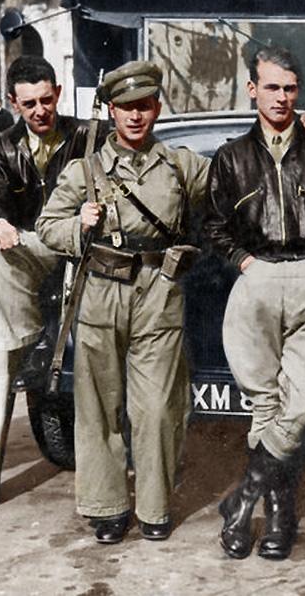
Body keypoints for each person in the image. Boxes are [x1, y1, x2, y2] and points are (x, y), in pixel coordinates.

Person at [36, 60, 209, 544]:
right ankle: (107, 506)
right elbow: (48, 227)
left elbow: (228, 186)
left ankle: (155, 505)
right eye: (126, 108)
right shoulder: (84, 169)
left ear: (157, 108)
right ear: (111, 111)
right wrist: (80, 225)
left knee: (156, 407)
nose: (136, 117)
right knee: (98, 406)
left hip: (158, 289)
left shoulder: (180, 164)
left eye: (145, 106)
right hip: (100, 290)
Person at [205, 46, 305, 561]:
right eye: (271, 87)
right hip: (256, 281)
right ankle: (279, 515)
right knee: (264, 405)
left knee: (300, 405)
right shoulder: (230, 157)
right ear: (253, 89)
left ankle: (242, 501)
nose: (281, 97)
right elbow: (213, 225)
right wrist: (246, 264)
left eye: (290, 88)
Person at [0, 55, 108, 525]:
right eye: (29, 103)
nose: (40, 110)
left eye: (47, 99)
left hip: (81, 249)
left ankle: (108, 477)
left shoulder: (85, 134)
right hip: (30, 248)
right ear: (14, 103)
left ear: (58, 93)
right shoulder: (3, 142)